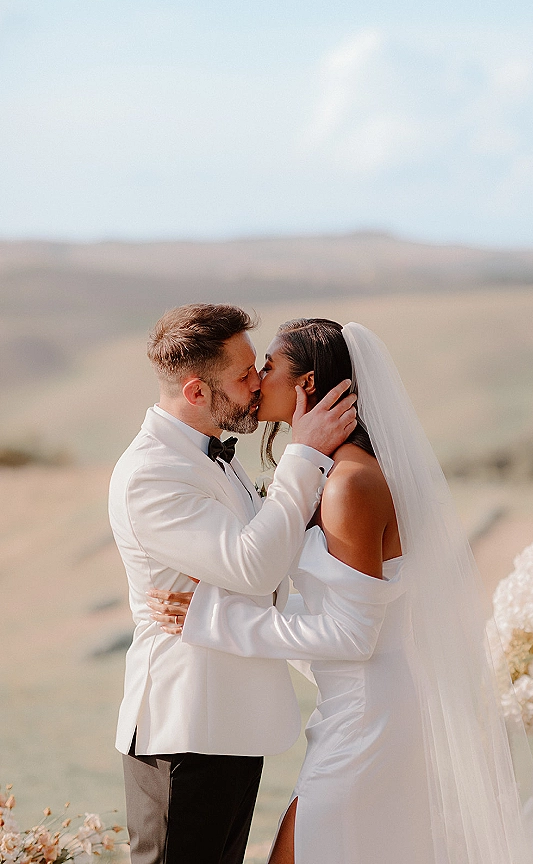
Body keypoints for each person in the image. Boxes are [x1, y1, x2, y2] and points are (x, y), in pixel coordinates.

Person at [151, 318, 533, 864]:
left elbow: (353, 634)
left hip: (370, 716)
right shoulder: (330, 474)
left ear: (307, 385)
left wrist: (210, 619)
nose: (257, 380)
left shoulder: (349, 485)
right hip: (352, 708)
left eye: (268, 368)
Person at [108, 303, 358, 864]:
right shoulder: (152, 473)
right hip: (186, 729)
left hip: (235, 725)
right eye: (244, 376)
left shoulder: (211, 456)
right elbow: (255, 567)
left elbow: (263, 557)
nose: (257, 386)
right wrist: (305, 456)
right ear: (196, 392)